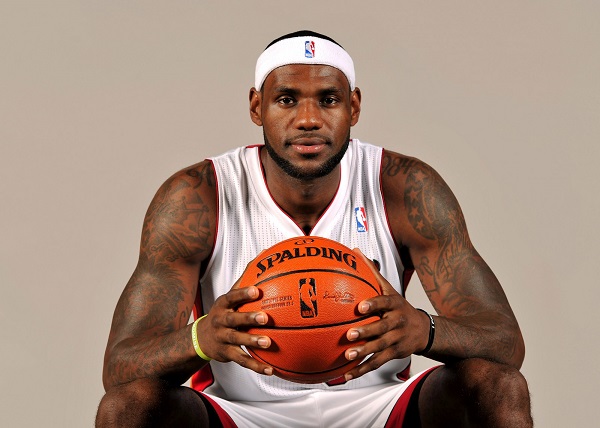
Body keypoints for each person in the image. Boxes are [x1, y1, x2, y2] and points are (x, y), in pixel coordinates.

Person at [96, 30, 533, 427]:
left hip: (379, 408)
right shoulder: (199, 196)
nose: (308, 119)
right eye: (287, 99)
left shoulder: (403, 186)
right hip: (242, 414)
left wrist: (425, 329)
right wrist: (201, 337)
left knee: (499, 387)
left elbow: (505, 342)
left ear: (353, 107)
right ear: (257, 107)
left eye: (328, 99)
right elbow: (120, 366)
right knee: (127, 407)